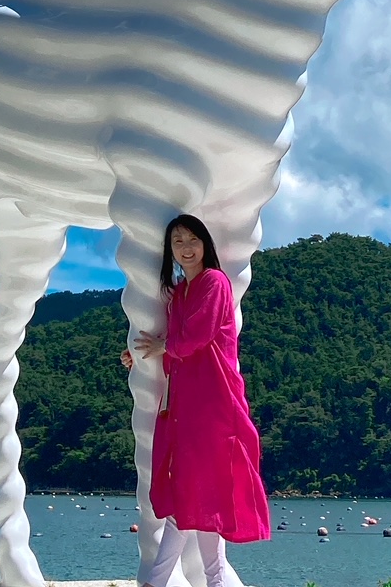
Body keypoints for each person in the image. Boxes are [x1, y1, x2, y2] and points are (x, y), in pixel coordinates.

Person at [120, 214, 270, 587]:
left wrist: (162, 347)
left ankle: (161, 582)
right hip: (186, 407)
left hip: (214, 405)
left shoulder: (214, 282)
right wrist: (141, 355)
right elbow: (174, 348)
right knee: (194, 498)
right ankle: (191, 582)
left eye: (192, 240)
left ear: (205, 244)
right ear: (170, 250)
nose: (186, 248)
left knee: (195, 498)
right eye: (178, 242)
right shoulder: (179, 294)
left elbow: (196, 336)